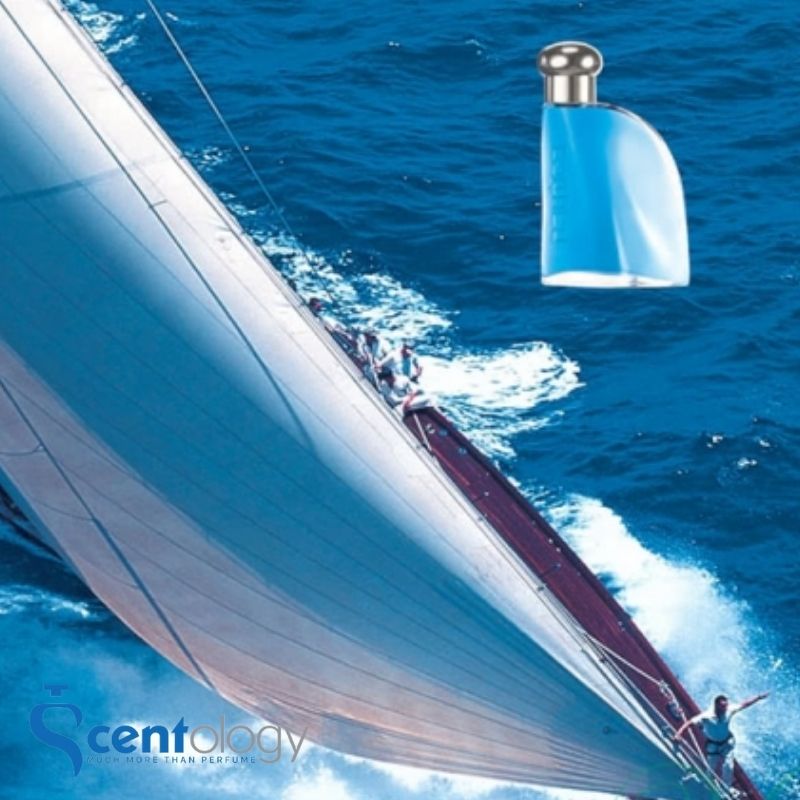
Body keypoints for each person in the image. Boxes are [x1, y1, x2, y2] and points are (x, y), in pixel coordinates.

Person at [673, 692, 768, 787]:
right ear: (717, 706)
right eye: (723, 706)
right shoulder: (707, 715)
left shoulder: (729, 710)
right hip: (713, 746)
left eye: (726, 705)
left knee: (728, 767)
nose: (725, 708)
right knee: (710, 770)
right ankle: (705, 783)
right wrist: (678, 734)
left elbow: (745, 704)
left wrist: (758, 697)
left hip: (727, 743)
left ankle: (727, 788)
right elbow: (689, 723)